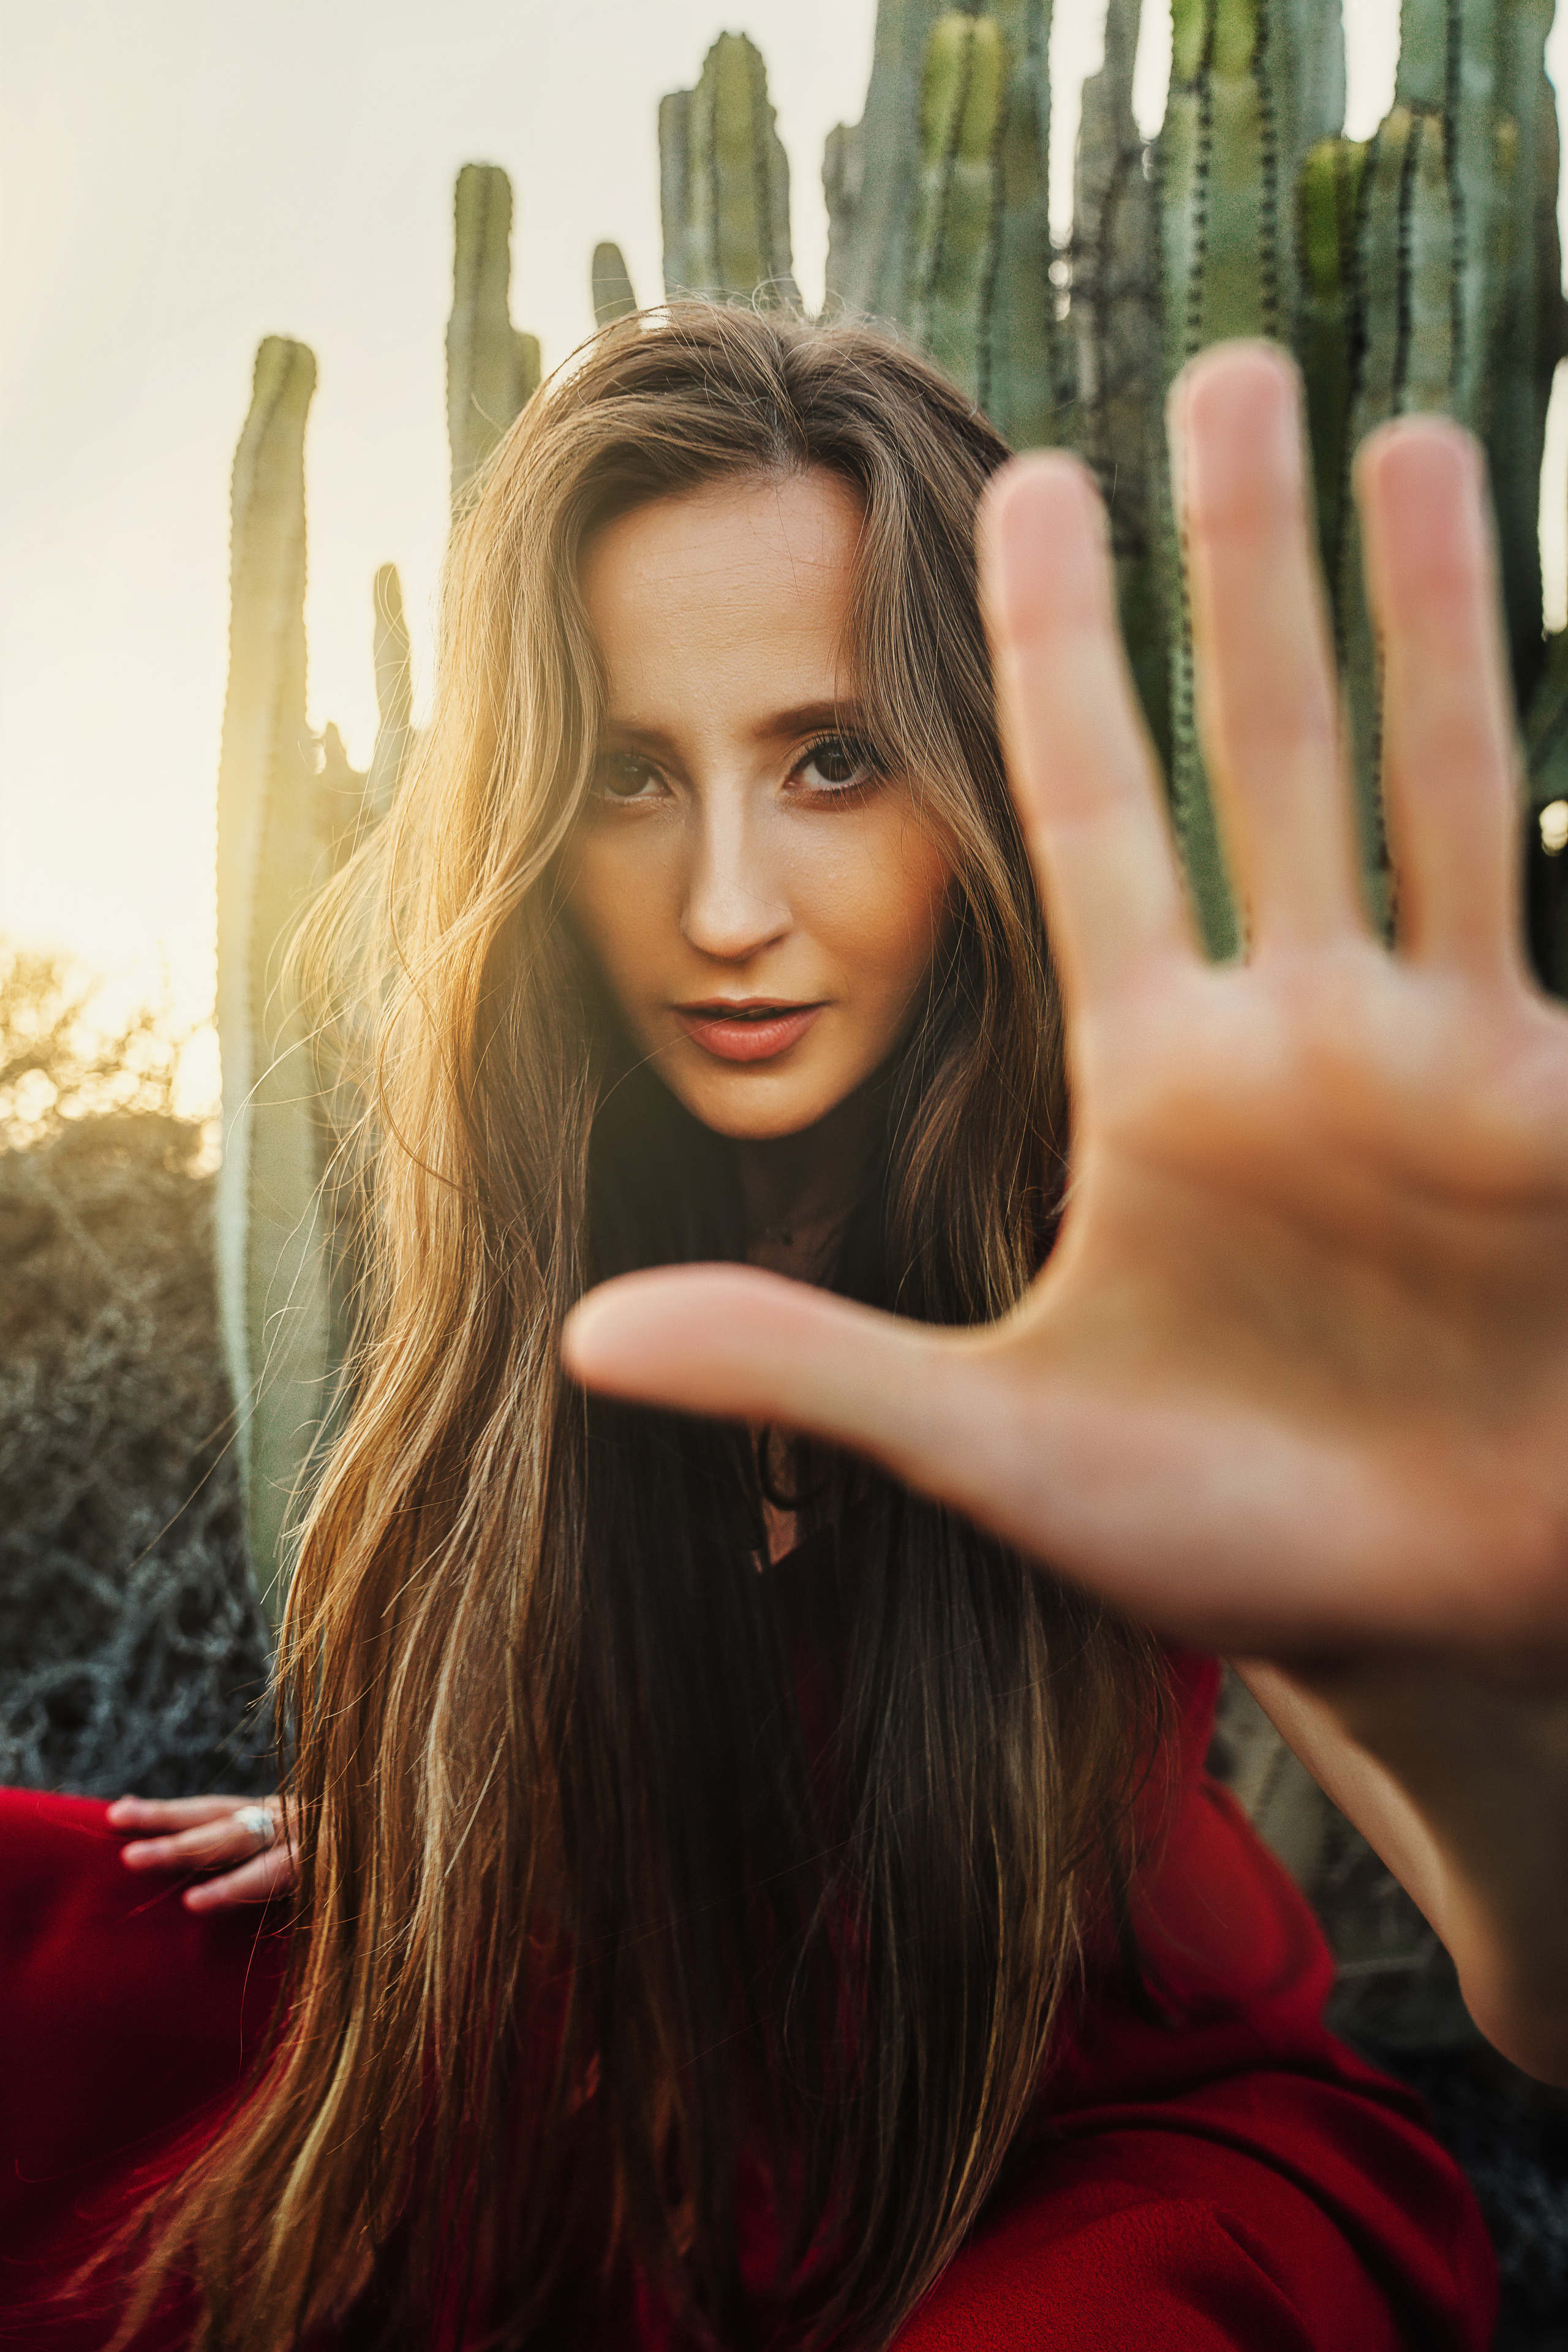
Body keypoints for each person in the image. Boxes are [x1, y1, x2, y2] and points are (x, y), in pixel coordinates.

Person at [0, 309, 1500, 2350]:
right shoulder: (555, 1207)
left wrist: (1482, 1727)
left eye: (833, 759)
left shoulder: (1141, 1224)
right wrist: (444, 1810)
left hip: (1063, 2150)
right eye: (627, 774)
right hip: (614, 2052)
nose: (722, 904)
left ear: (979, 779)